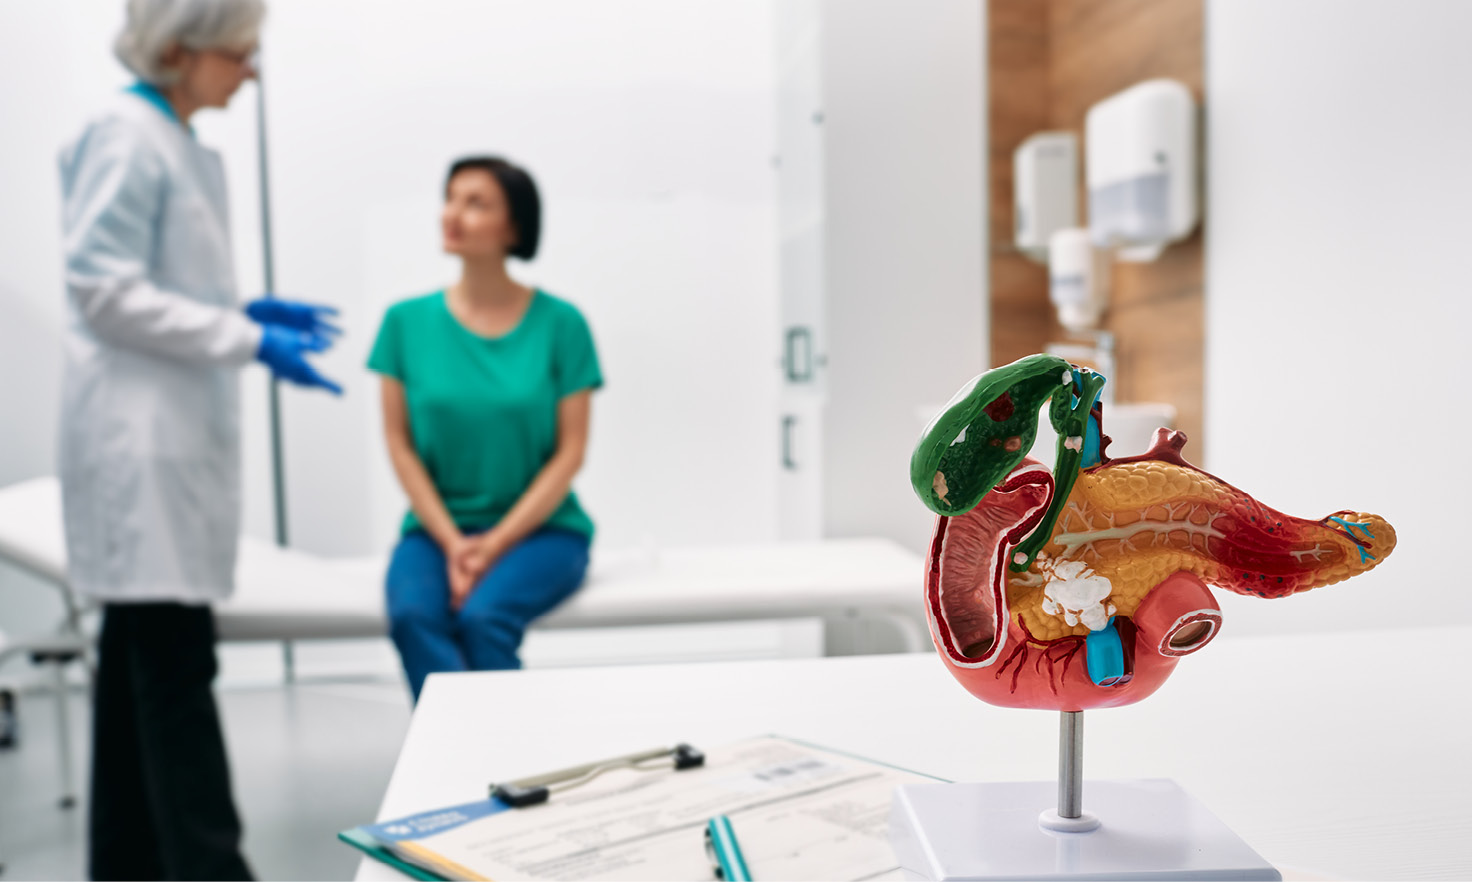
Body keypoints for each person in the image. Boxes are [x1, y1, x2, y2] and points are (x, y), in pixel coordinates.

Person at [58, 1, 341, 878]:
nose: (250, 72)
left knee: (139, 676)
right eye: (240, 54)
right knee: (172, 675)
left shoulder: (175, 140)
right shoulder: (125, 135)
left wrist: (239, 315)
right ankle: (214, 870)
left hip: (165, 444)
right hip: (136, 453)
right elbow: (103, 289)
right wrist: (246, 337)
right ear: (181, 52)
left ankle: (127, 865)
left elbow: (157, 285)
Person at [369, 156, 602, 702]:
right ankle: (475, 760)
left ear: (514, 227)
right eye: (450, 198)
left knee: (483, 618)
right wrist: (454, 543)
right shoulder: (403, 323)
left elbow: (570, 454)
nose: (452, 214)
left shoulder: (562, 325)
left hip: (545, 531)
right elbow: (400, 446)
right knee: (412, 615)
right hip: (435, 531)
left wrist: (494, 544)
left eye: (476, 203)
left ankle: (504, 765)